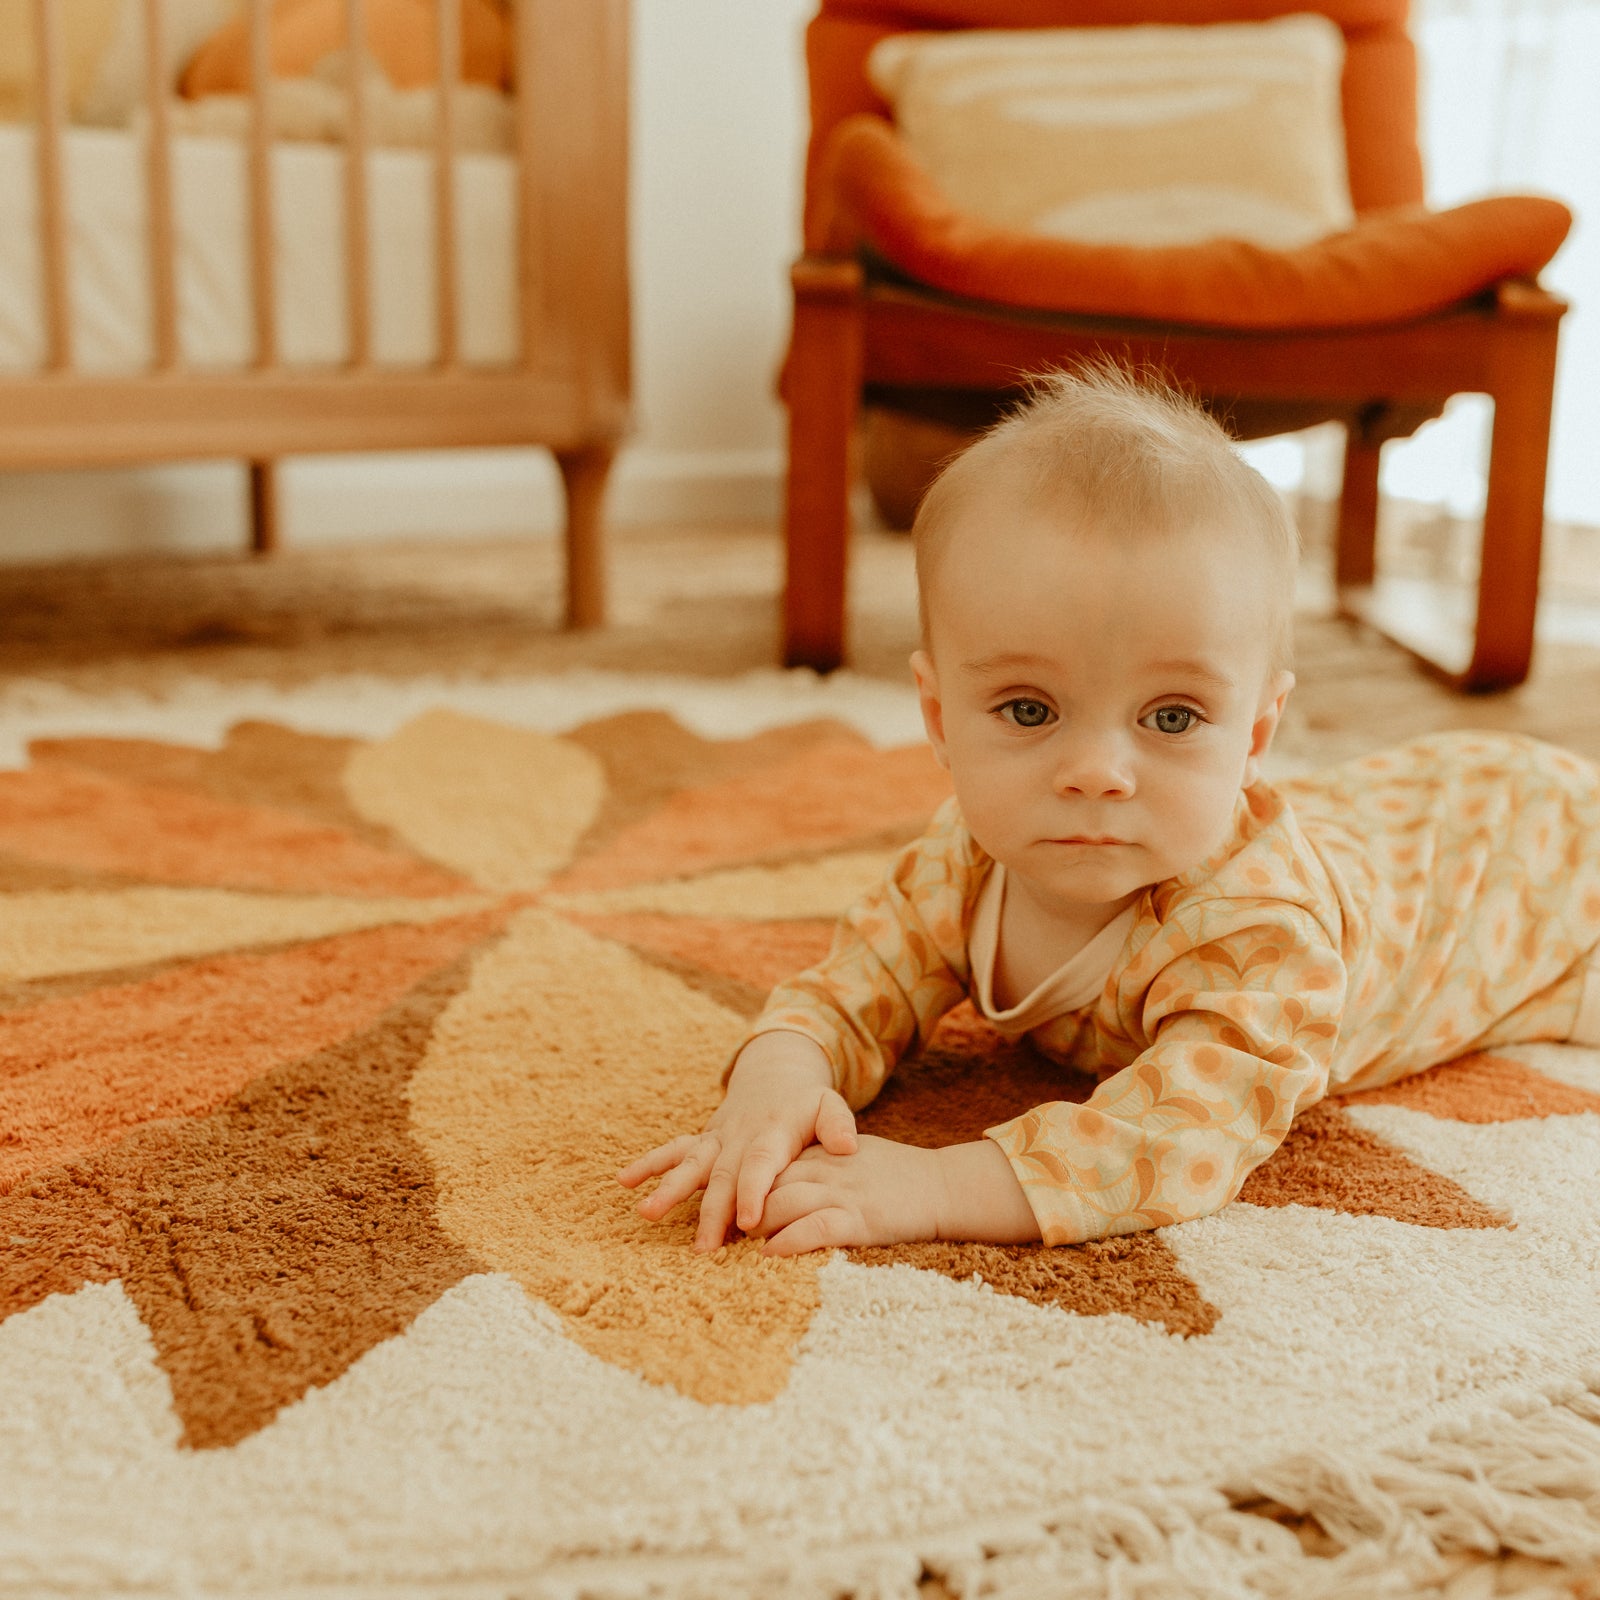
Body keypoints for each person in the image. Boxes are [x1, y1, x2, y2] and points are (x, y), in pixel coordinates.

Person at [618, 364, 1600, 1258]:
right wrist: (776, 1078)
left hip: (1544, 861)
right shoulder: (964, 857)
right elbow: (848, 983)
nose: (1096, 771)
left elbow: (1177, 1136)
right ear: (938, 717)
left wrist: (938, 1181)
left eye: (1171, 717)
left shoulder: (1263, 931)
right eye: (1028, 710)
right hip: (1418, 814)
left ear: (1254, 735)